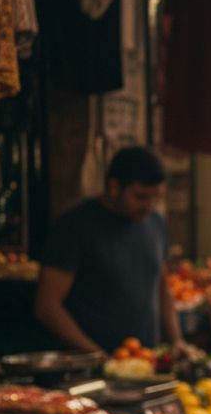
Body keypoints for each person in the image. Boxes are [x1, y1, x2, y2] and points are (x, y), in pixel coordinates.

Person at [35, 147, 188, 354]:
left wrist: (177, 340)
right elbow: (47, 305)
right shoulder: (75, 226)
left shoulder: (156, 222)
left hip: (146, 362)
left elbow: (161, 287)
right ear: (114, 187)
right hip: (90, 368)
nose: (148, 206)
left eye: (155, 198)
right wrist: (96, 355)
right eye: (141, 197)